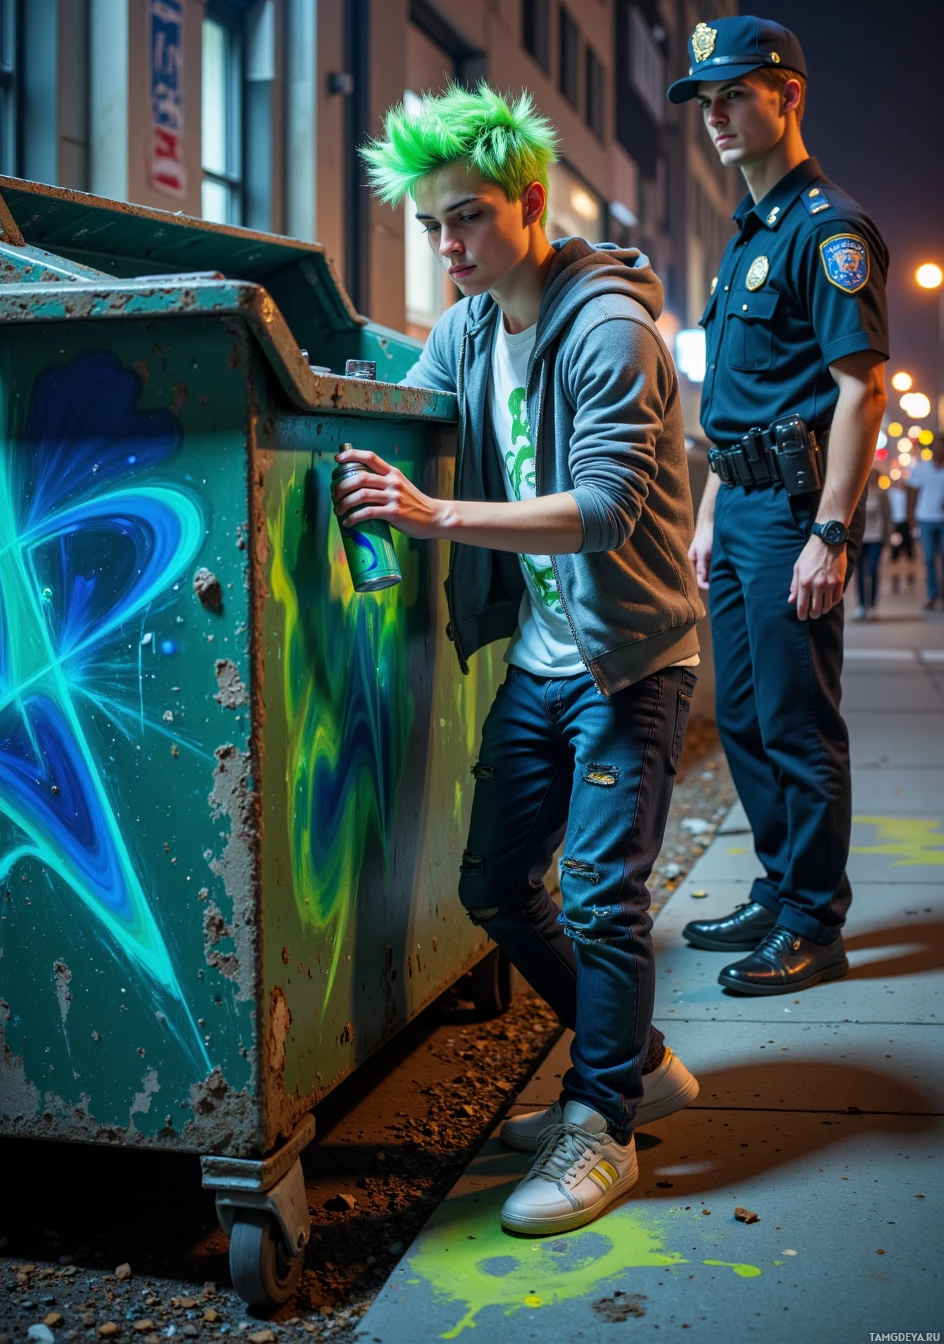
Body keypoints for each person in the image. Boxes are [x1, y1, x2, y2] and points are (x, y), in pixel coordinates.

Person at [337, 83, 704, 1237]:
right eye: (433, 224)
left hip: (630, 662)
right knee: (496, 885)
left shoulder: (609, 330)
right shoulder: (468, 325)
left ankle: (602, 1124)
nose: (448, 245)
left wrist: (435, 518)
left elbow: (599, 508)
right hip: (546, 662)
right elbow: (399, 408)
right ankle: (633, 1060)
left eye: (469, 218)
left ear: (530, 206)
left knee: (601, 896)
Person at [669, 17, 889, 995]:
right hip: (742, 508)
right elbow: (737, 406)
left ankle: (813, 920)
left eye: (735, 95)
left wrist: (832, 533)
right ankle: (776, 886)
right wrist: (710, 512)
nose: (715, 116)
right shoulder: (747, 238)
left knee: (798, 721)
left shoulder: (825, 230)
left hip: (798, 514)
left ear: (788, 96)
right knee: (749, 719)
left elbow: (858, 390)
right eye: (705, 101)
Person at [906, 441, 944, 609]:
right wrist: (911, 517)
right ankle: (931, 594)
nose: (939, 451)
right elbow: (912, 493)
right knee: (928, 558)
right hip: (926, 518)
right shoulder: (921, 469)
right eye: (936, 449)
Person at [854, 468, 890, 619]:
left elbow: (887, 514)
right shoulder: (858, 492)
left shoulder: (881, 494)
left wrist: (888, 534)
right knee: (860, 572)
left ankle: (873, 605)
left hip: (876, 537)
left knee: (873, 569)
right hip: (860, 537)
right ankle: (862, 605)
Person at [887, 480, 915, 592]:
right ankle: (895, 578)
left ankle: (910, 575)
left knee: (910, 552)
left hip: (906, 525)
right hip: (895, 527)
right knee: (895, 553)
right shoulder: (891, 494)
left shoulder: (908, 494)